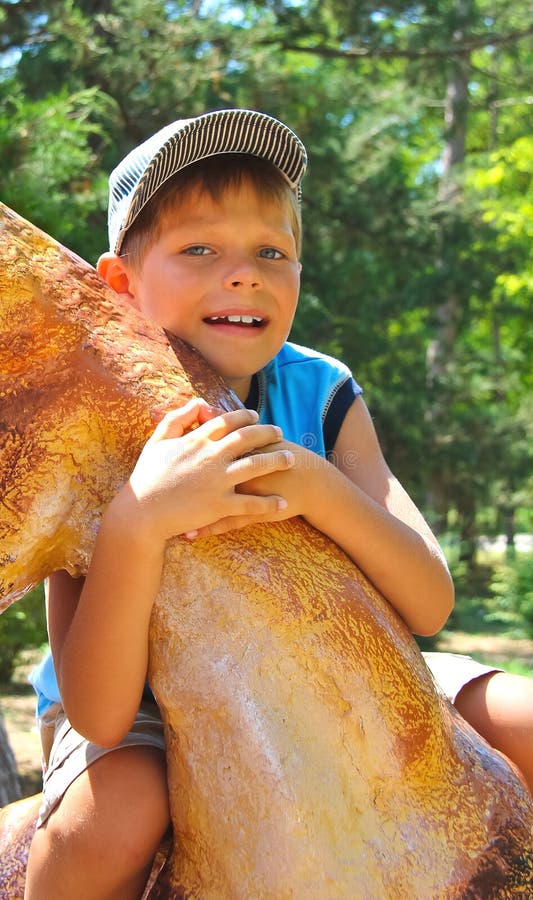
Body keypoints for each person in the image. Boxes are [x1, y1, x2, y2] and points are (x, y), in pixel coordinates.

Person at [25, 109, 533, 899]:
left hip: (355, 664)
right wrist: (139, 519)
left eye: (272, 251)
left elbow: (429, 602)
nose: (244, 273)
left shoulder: (320, 392)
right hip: (146, 708)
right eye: (199, 249)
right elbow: (97, 711)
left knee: (524, 717)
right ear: (120, 285)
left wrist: (313, 484)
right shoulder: (95, 434)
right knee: (114, 820)